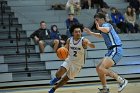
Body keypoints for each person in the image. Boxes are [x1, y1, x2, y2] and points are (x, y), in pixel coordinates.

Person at [84, 12, 128, 93]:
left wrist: (99, 28)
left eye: (97, 20)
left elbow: (107, 30)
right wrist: (91, 33)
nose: (96, 22)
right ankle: (105, 89)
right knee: (98, 68)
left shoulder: (106, 25)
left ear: (102, 19)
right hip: (112, 50)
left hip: (116, 49)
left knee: (101, 68)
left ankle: (122, 81)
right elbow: (100, 36)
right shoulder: (103, 28)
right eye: (95, 21)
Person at [48, 24, 95, 93]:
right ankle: (57, 78)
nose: (78, 33)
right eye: (76, 32)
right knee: (58, 74)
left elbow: (93, 46)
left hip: (78, 64)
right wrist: (61, 52)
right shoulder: (69, 40)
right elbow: (65, 48)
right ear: (72, 33)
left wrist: (89, 44)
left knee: (65, 79)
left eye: (79, 31)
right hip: (69, 60)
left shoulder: (83, 40)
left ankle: (54, 89)